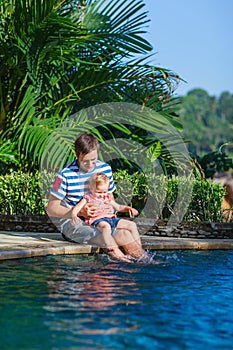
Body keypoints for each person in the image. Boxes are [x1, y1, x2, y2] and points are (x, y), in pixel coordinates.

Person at [46, 132, 147, 262]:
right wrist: (79, 212)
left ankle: (145, 261)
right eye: (85, 161)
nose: (90, 165)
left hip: (101, 219)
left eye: (93, 160)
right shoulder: (64, 175)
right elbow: (51, 208)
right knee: (103, 235)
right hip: (75, 224)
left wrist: (110, 210)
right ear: (77, 155)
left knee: (124, 233)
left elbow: (108, 196)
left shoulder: (105, 169)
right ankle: (124, 262)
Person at [71, 172, 142, 259]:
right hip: (98, 220)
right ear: (91, 188)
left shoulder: (106, 197)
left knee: (132, 225)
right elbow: (77, 207)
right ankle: (109, 244)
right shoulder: (88, 197)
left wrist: (128, 209)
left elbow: (118, 207)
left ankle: (138, 245)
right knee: (106, 227)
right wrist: (74, 215)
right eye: (99, 192)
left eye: (105, 192)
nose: (102, 195)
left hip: (111, 219)